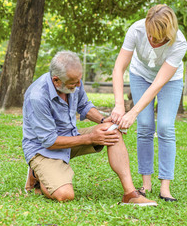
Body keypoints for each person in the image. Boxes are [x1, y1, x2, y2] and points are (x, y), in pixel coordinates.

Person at [22, 50, 157, 206]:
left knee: (110, 131)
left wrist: (102, 120)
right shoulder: (37, 96)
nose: (79, 85)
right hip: (43, 149)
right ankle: (37, 173)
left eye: (80, 80)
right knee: (65, 195)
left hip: (69, 136)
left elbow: (84, 105)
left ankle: (130, 194)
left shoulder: (73, 80)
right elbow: (49, 141)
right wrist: (90, 138)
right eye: (73, 83)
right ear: (56, 80)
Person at [111, 4, 187, 202]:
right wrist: (120, 104)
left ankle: (165, 188)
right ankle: (145, 184)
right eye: (149, 34)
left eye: (157, 38)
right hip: (139, 75)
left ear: (168, 34)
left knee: (165, 126)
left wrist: (132, 112)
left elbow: (157, 85)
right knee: (144, 125)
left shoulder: (179, 43)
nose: (151, 40)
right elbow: (119, 67)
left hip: (169, 80)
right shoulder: (136, 30)